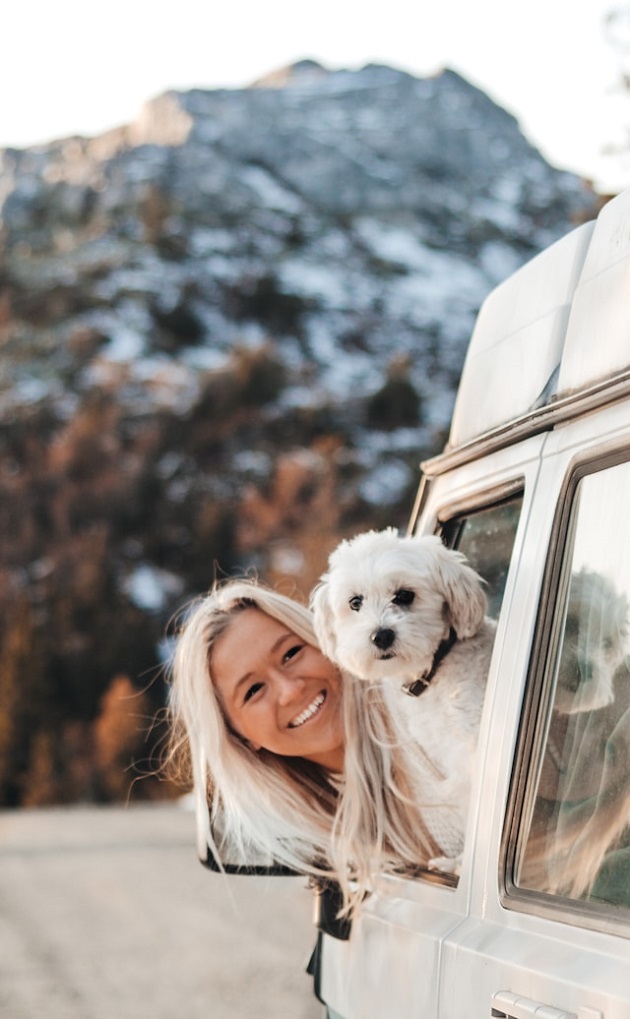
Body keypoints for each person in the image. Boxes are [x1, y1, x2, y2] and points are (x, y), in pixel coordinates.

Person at [167, 577, 437, 915]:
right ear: (239, 736)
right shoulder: (327, 829)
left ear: (322, 638)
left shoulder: (425, 715)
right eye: (253, 691)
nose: (290, 690)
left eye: (291, 653)